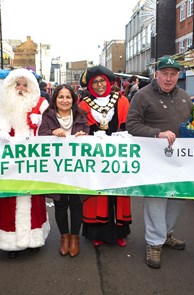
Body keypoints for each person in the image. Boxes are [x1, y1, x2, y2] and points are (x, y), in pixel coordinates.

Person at [126, 56, 193, 269]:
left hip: (179, 160)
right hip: (154, 159)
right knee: (156, 200)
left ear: (178, 76)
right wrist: (157, 133)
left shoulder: (184, 97)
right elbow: (132, 125)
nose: (169, 78)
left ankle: (166, 234)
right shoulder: (142, 95)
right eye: (165, 73)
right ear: (157, 74)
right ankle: (154, 243)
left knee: (178, 199)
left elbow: (193, 125)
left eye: (173, 74)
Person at [0, 68, 50, 259]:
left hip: (32, 162)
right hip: (8, 164)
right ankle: (9, 243)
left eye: (24, 85)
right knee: (7, 201)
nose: (21, 88)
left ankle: (33, 239)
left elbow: (50, 129)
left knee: (33, 199)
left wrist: (38, 126)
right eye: (17, 84)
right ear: (10, 85)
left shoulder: (41, 104)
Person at [78, 65, 132, 247]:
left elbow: (127, 125)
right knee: (96, 193)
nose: (99, 85)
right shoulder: (83, 104)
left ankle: (119, 232)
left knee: (117, 192)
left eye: (102, 81)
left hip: (117, 156)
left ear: (108, 82)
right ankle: (97, 233)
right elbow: (81, 127)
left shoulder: (122, 101)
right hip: (94, 157)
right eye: (95, 82)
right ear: (90, 85)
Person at [38, 84, 89, 257]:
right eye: (61, 97)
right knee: (60, 204)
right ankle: (64, 237)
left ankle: (74, 238)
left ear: (73, 100)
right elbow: (40, 137)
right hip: (56, 169)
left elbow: (88, 136)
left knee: (76, 204)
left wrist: (84, 137)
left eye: (68, 97)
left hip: (76, 169)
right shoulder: (47, 116)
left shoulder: (81, 116)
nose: (64, 100)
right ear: (55, 99)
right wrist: (53, 132)